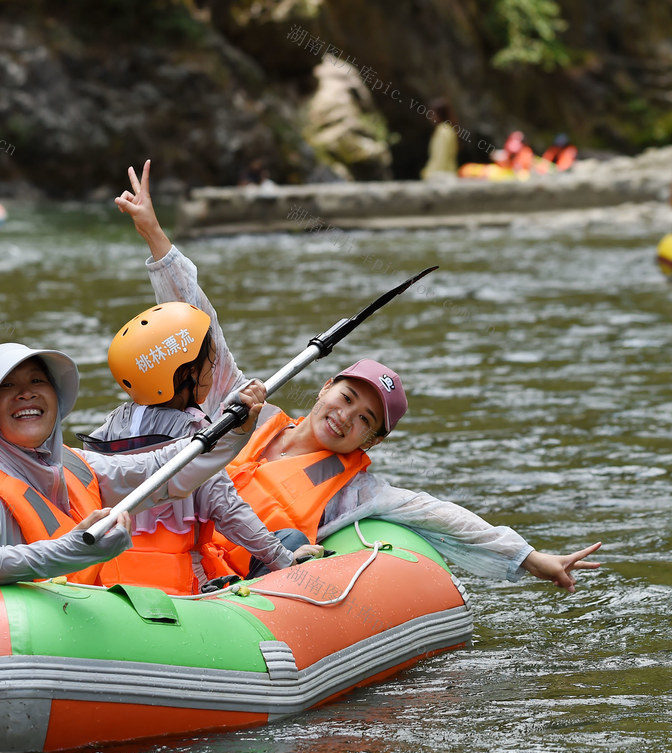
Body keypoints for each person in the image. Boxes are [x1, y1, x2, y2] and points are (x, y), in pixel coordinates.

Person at [113, 160, 603, 593]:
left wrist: (530, 557)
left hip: (231, 587)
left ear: (373, 441)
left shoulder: (356, 491)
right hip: (163, 549)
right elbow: (202, 330)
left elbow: (440, 515)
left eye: (366, 419)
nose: (346, 417)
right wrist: (155, 237)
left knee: (288, 543)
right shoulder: (244, 409)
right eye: (347, 398)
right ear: (326, 388)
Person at [0, 342, 268, 592]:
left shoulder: (71, 462)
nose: (26, 394)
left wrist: (230, 429)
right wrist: (73, 550)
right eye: (7, 387)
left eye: (37, 382)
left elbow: (162, 469)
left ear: (56, 396)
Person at [81, 301, 322, 594]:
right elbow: (230, 511)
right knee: (292, 539)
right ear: (188, 375)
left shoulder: (112, 424)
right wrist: (285, 559)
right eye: (209, 362)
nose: (213, 367)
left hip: (105, 584)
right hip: (180, 593)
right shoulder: (196, 439)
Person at [420, 98, 459, 181]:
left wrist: (427, 173)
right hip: (449, 173)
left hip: (442, 176)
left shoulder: (443, 131)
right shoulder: (448, 129)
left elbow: (440, 157)